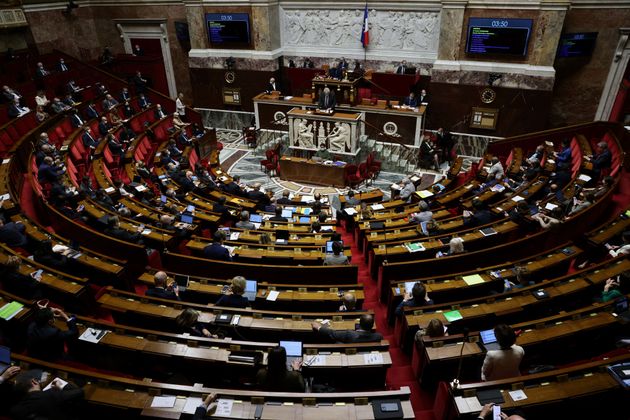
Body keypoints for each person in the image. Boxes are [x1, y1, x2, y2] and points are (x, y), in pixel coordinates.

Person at [11, 369, 85, 420]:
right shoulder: (52, 394)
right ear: (34, 382)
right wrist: (61, 387)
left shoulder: (16, 410)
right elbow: (80, 392)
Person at [312, 314, 383, 343]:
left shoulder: (350, 334)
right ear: (372, 326)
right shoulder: (378, 336)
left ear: (360, 324)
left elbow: (332, 333)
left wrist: (319, 327)